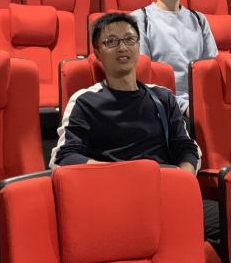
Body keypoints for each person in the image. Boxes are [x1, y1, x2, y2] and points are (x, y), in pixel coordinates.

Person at [52, 12, 220, 242]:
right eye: (111, 41)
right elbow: (65, 157)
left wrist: (182, 180)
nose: (122, 47)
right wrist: (127, 176)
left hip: (165, 193)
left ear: (138, 46)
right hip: (116, 200)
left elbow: (186, 147)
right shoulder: (84, 101)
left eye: (129, 39)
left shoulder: (163, 97)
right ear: (98, 52)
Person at [133, 0, 217, 113]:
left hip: (199, 101)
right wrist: (182, 106)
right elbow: (143, 76)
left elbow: (211, 67)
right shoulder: (139, 18)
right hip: (158, 103)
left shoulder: (199, 19)